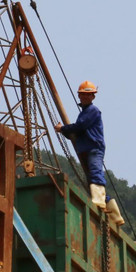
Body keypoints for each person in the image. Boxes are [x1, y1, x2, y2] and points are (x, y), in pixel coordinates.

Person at [56, 81, 106, 209]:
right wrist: (65, 131)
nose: (85, 97)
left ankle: (100, 200)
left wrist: (63, 128)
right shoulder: (84, 113)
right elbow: (77, 132)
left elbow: (80, 127)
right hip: (86, 148)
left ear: (93, 96)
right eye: (83, 94)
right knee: (91, 178)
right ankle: (110, 207)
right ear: (79, 96)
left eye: (88, 95)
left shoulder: (92, 110)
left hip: (93, 148)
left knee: (95, 172)